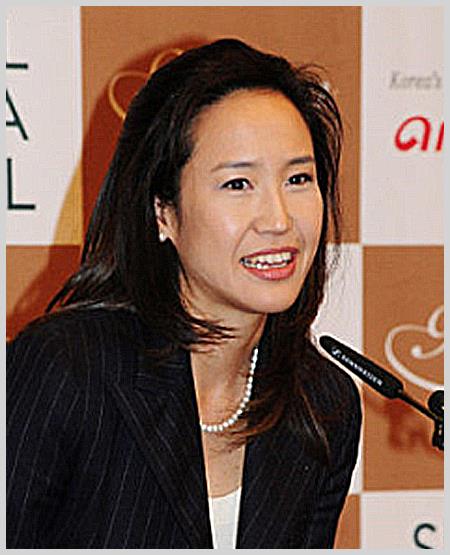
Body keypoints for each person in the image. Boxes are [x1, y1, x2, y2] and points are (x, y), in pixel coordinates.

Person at [7, 38, 361, 549]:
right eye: (238, 184)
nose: (279, 220)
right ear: (163, 211)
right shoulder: (66, 369)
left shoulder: (323, 405)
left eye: (299, 178)